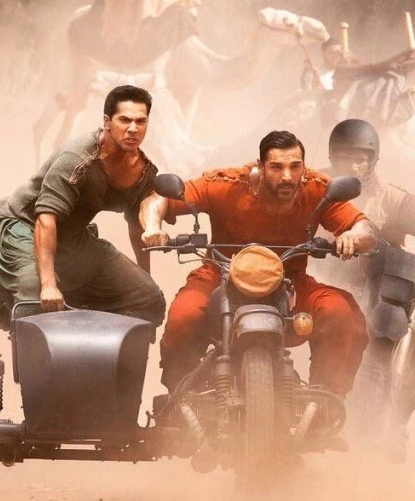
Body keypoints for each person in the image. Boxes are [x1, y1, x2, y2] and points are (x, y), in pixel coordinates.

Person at [142, 130, 375, 400]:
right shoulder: (226, 184)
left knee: (340, 312)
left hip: (289, 280)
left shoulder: (318, 189)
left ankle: (325, 401)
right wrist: (152, 227)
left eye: (295, 167)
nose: (287, 176)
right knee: (185, 315)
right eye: (276, 167)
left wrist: (353, 237)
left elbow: (362, 226)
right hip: (221, 274)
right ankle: (181, 396)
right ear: (261, 167)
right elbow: (157, 200)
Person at [0, 85, 166, 329]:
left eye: (141, 121)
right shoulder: (78, 160)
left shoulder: (142, 169)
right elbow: (45, 219)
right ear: (107, 122)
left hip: (72, 238)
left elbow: (140, 220)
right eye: (125, 120)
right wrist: (48, 284)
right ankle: (11, 299)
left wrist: (146, 273)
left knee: (148, 298)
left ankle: (103, 350)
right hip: (24, 229)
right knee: (36, 299)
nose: (133, 129)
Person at [326, 118, 415, 462]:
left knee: (393, 325)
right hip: (321, 286)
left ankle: (395, 423)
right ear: (332, 156)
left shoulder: (391, 199)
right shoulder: (314, 188)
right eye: (345, 156)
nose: (352, 165)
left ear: (373, 159)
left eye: (360, 158)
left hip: (376, 297)